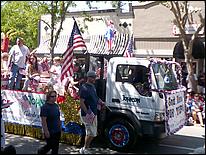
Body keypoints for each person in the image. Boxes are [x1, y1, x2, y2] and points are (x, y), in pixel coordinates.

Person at [79, 70, 105, 154]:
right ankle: (85, 149)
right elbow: (81, 102)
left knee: (92, 132)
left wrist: (101, 102)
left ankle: (85, 148)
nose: (94, 79)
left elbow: (96, 98)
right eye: (93, 77)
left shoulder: (93, 87)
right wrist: (87, 113)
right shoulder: (84, 87)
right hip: (88, 114)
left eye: (95, 77)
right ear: (88, 77)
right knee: (91, 132)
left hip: (94, 112)